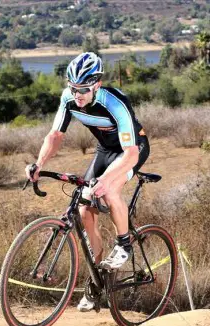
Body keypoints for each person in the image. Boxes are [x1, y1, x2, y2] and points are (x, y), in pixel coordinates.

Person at [25, 52, 150, 312]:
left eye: (83, 89)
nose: (77, 94)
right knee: (84, 209)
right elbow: (56, 135)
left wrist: (105, 181)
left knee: (109, 189)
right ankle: (96, 280)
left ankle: (124, 243)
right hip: (105, 150)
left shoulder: (115, 102)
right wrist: (39, 165)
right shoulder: (68, 99)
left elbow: (131, 154)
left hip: (132, 149)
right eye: (72, 88)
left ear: (97, 85)